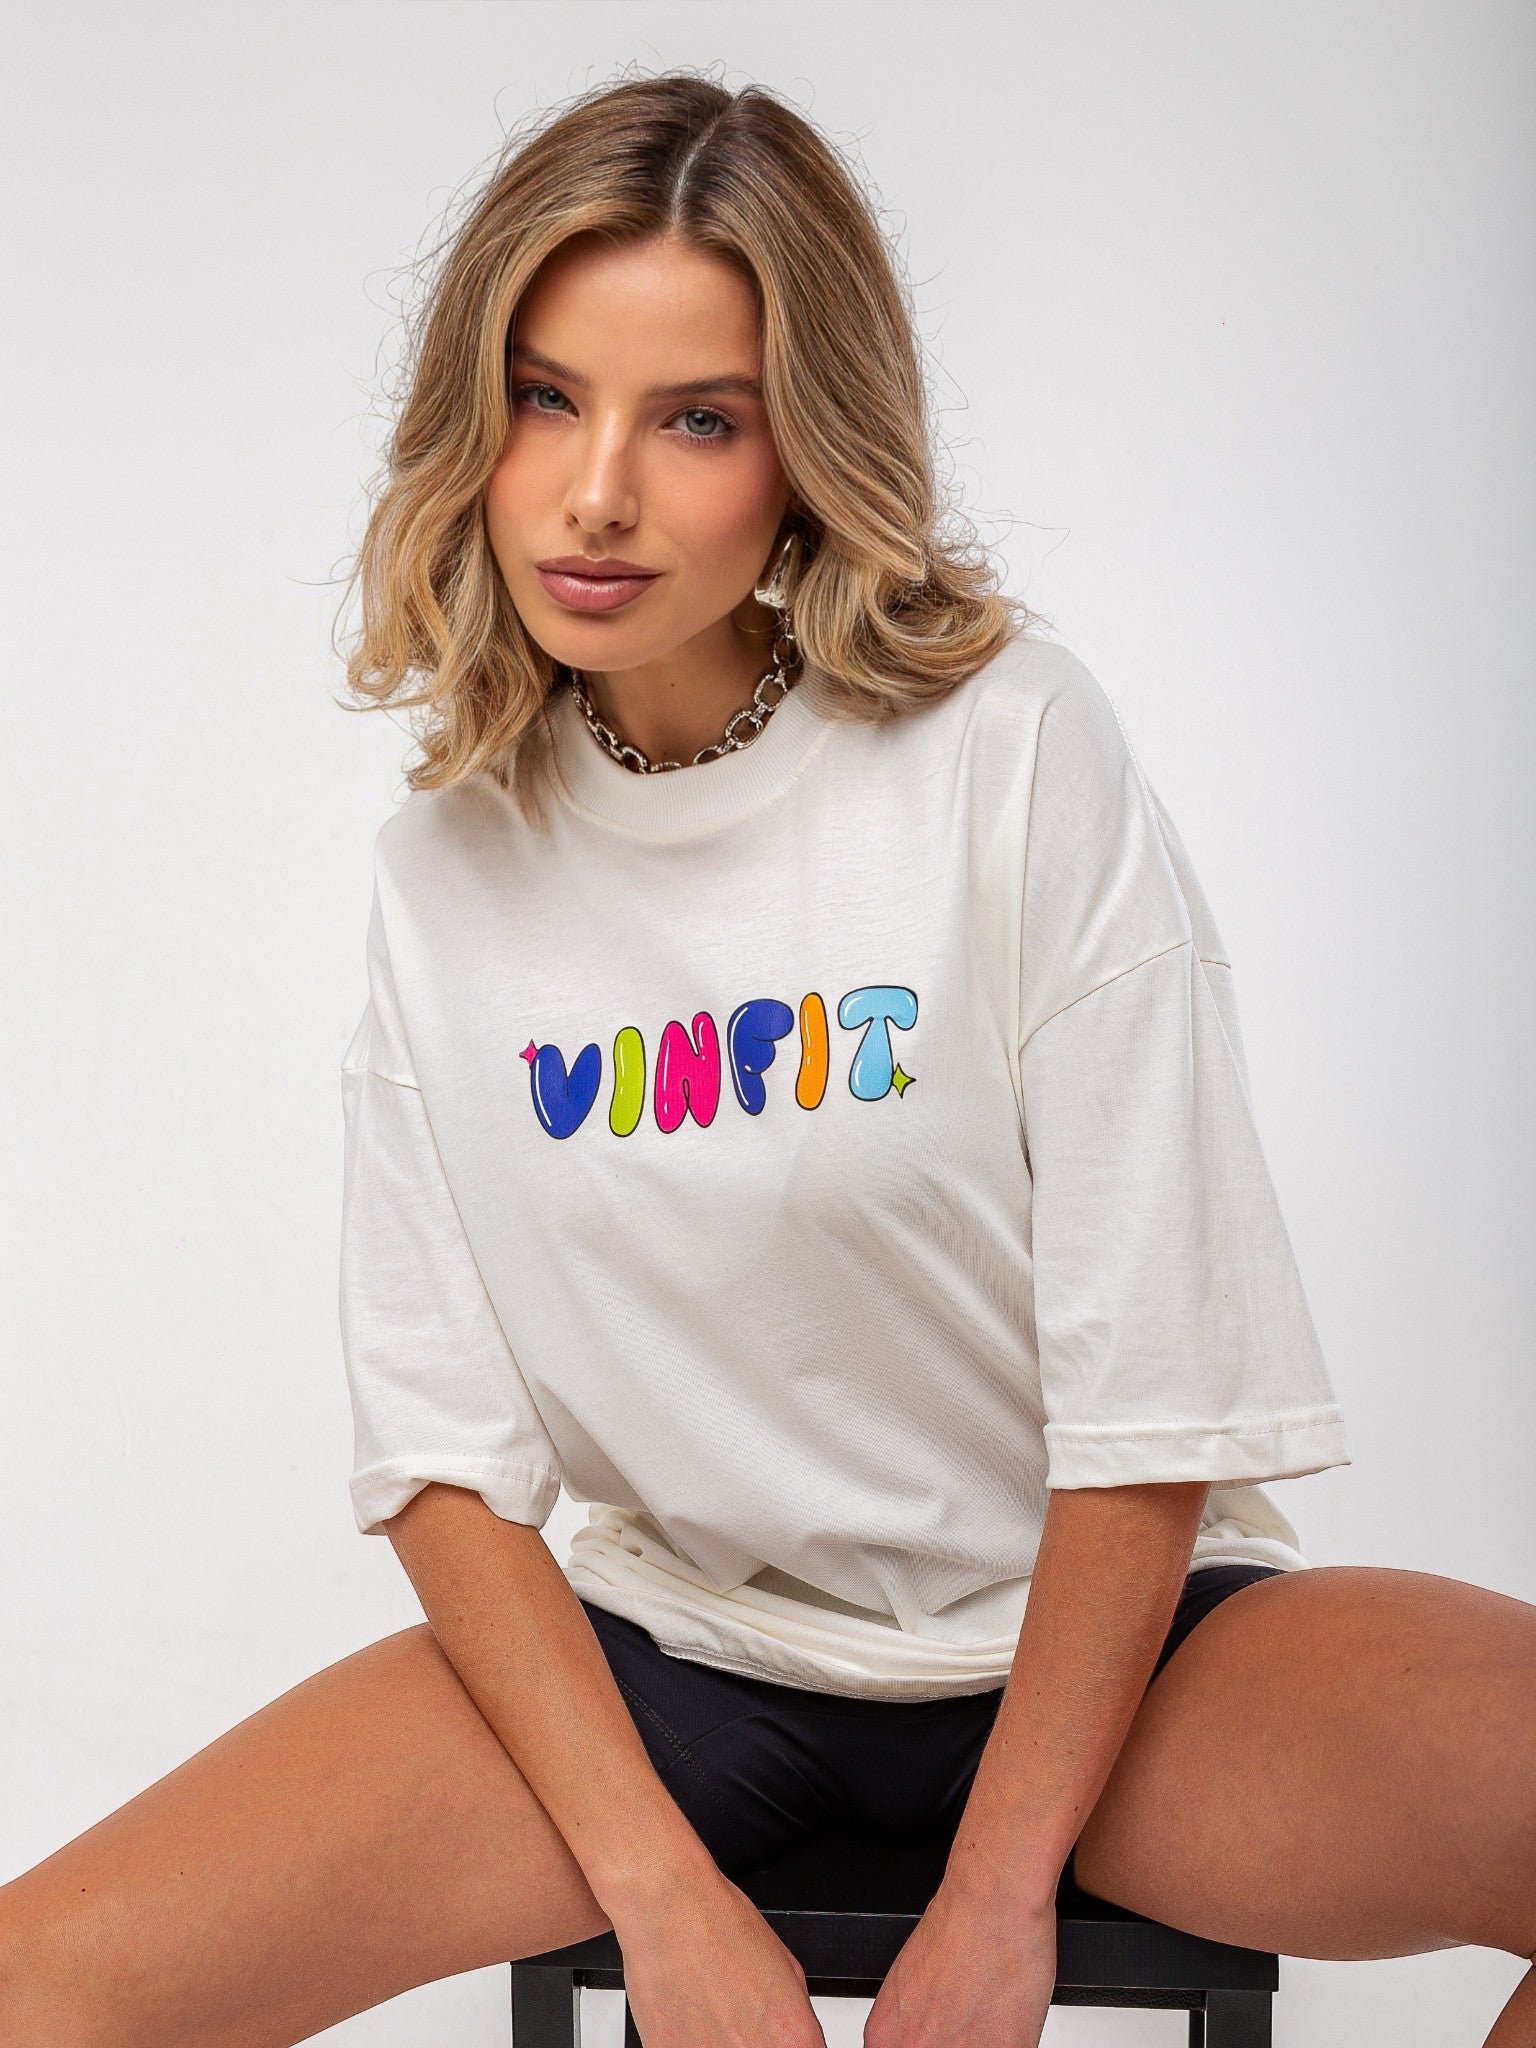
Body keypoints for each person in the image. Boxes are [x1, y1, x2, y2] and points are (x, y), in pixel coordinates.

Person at [3, 70, 1533, 2048]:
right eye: (546, 398)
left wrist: (998, 1894)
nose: (597, 492)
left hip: (1124, 1665)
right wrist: (662, 1899)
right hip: (679, 1659)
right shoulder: (447, 871)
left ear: (807, 446)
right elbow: (447, 1463)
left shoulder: (1008, 749)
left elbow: (1152, 1391)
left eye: (697, 418)